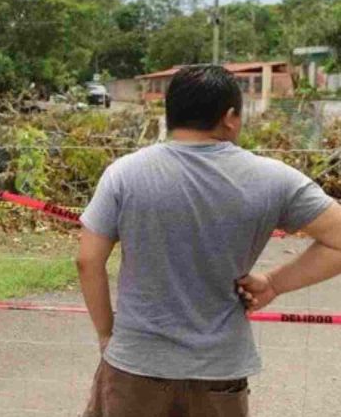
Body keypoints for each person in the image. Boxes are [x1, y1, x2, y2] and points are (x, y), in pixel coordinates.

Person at [77, 64, 341, 417]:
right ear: (230, 118)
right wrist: (274, 283)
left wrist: (106, 333)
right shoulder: (274, 179)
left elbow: (87, 261)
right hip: (220, 373)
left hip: (136, 365)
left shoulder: (124, 174)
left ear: (171, 113)